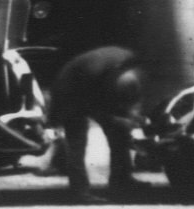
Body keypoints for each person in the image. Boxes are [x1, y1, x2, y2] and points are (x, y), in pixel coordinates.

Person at [48, 44, 149, 199]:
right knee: (77, 142)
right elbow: (96, 103)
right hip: (71, 92)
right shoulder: (120, 69)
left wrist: (128, 117)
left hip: (85, 85)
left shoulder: (121, 64)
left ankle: (121, 180)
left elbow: (116, 96)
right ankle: (80, 192)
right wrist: (120, 118)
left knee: (118, 132)